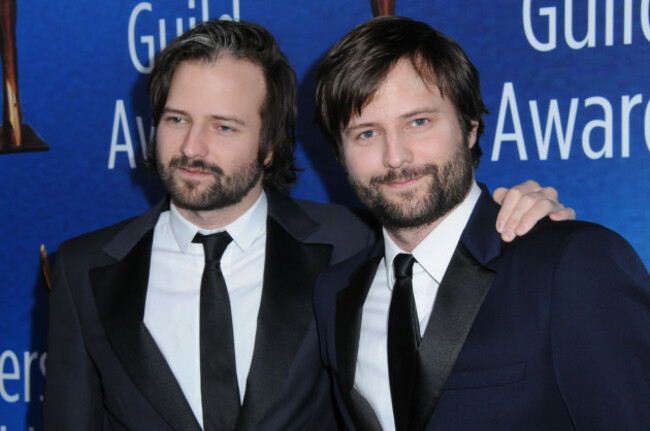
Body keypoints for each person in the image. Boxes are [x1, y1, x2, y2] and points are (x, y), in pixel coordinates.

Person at [44, 19, 573, 431]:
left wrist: (529, 213)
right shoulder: (81, 268)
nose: (191, 148)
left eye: (223, 126)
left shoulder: (357, 243)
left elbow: (451, 235)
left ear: (271, 145)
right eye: (176, 119)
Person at [313, 16, 650, 431]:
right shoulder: (336, 293)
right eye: (366, 133)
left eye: (418, 122)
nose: (395, 156)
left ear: (470, 129)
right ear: (339, 153)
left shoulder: (571, 265)